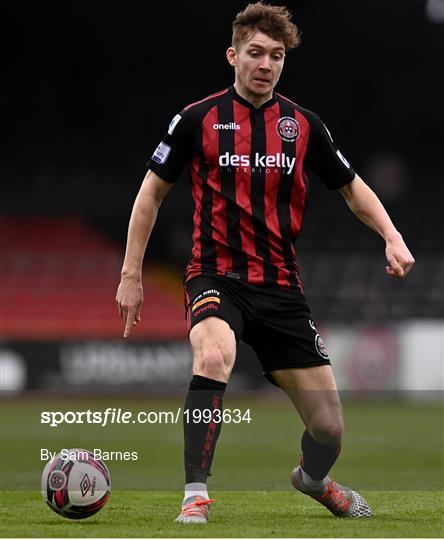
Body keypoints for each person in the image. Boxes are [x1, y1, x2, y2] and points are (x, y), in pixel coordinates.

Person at [116, 1, 415, 524]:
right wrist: (131, 274)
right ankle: (195, 495)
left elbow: (351, 188)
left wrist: (391, 236)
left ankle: (313, 480)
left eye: (276, 55)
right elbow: (150, 195)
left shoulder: (302, 126)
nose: (266, 64)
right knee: (213, 356)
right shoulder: (197, 119)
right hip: (215, 275)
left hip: (280, 287)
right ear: (233, 55)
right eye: (255, 53)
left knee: (329, 429)